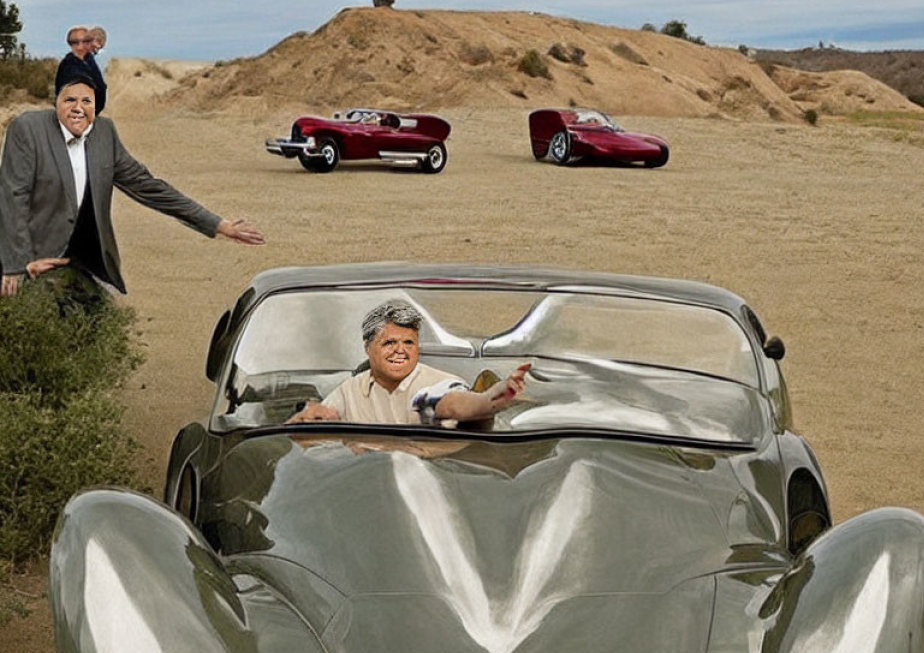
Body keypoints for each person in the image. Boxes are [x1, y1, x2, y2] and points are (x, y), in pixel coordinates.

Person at [0, 72, 264, 301]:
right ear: (56, 102)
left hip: (84, 264)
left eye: (86, 101)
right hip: (34, 260)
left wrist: (220, 224)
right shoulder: (29, 129)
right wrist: (16, 266)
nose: (78, 108)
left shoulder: (104, 134)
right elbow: (13, 197)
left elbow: (149, 187)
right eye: (70, 99)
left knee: (106, 334)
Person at [288, 299, 531, 425]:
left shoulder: (434, 386)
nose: (400, 351)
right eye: (389, 343)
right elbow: (322, 418)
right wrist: (310, 417)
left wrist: (495, 396)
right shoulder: (350, 389)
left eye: (409, 343)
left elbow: (455, 405)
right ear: (367, 348)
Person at [55, 25, 107, 115]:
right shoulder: (69, 65)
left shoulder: (89, 61)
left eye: (86, 41)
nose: (80, 46)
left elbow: (100, 87)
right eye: (74, 42)